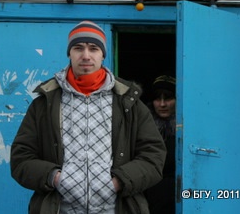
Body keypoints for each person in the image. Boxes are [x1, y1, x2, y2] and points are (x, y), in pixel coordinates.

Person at [10, 20, 166, 214]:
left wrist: (119, 182)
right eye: (78, 48)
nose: (86, 55)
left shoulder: (129, 103)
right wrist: (55, 178)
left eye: (93, 48)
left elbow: (153, 156)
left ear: (103, 54)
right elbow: (21, 158)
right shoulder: (44, 104)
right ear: (69, 53)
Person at [144, 75, 176, 214]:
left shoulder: (187, 131)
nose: (162, 104)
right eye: (157, 98)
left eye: (168, 98)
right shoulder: (141, 128)